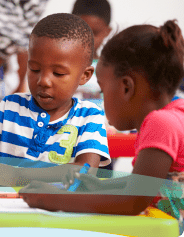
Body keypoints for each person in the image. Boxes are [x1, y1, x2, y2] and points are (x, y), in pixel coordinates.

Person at [20, 20, 184, 232]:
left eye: (103, 90)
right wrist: (99, 185)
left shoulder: (160, 123)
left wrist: (52, 200)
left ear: (126, 87)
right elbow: (144, 185)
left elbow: (133, 201)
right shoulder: (176, 114)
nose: (102, 100)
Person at [0, 13, 111, 189]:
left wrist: (19, 176)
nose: (43, 81)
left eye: (58, 73)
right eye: (34, 69)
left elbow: (85, 170)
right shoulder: (11, 106)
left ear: (84, 76)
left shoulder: (89, 116)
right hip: (5, 209)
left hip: (57, 213)